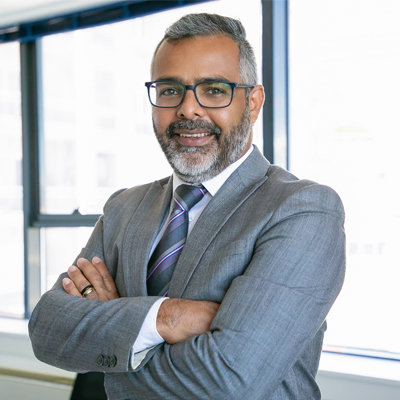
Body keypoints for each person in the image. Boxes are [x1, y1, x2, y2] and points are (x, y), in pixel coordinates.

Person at [29, 13, 345, 400]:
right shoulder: (124, 209)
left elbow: (230, 381)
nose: (188, 110)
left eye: (213, 90)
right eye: (170, 90)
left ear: (253, 103)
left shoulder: (303, 210)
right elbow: (46, 329)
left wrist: (119, 331)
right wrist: (168, 317)